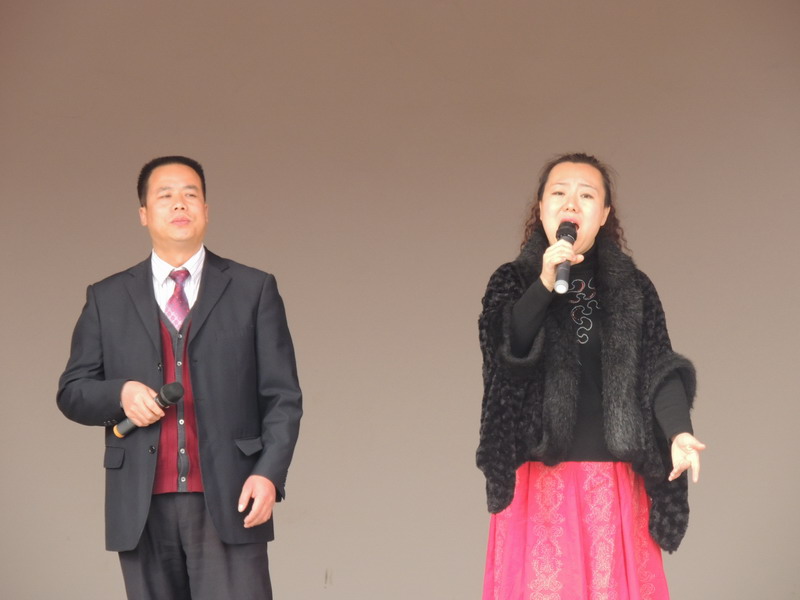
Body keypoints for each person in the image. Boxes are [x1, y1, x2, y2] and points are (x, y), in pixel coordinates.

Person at [57, 156, 302, 600]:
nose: (179, 204)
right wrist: (121, 393)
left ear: (206, 209)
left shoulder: (253, 289)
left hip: (232, 494)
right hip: (140, 501)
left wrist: (268, 474)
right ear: (143, 214)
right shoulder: (107, 297)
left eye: (191, 194)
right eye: (165, 195)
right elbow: (73, 392)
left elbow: (283, 396)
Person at [477, 153, 705, 599]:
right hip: (539, 479)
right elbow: (507, 350)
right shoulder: (512, 281)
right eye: (559, 193)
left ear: (603, 215)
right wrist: (544, 284)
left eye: (586, 195)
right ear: (541, 208)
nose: (571, 203)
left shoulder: (633, 288)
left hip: (614, 482)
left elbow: (659, 366)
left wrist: (679, 432)